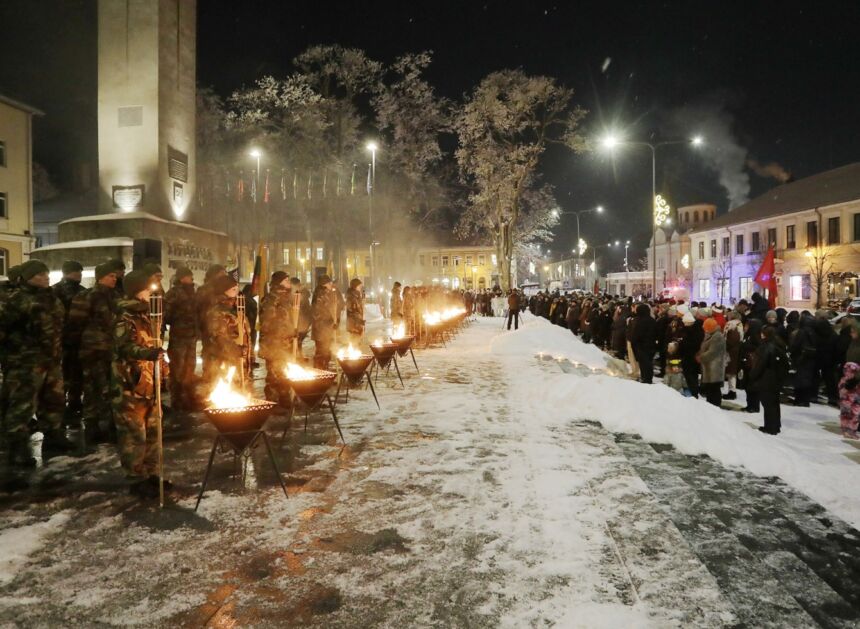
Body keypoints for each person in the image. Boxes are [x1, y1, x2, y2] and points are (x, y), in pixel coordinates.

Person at [1, 260, 76, 466]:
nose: (45, 277)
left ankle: (54, 436)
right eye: (39, 274)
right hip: (24, 363)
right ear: (28, 277)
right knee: (22, 406)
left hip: (50, 359)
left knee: (54, 400)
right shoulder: (16, 300)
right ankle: (16, 450)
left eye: (45, 273)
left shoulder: (52, 297)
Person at [111, 270, 167, 497]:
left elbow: (156, 341)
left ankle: (152, 473)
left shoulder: (148, 315)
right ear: (137, 291)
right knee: (134, 433)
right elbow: (124, 348)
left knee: (154, 430)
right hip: (130, 383)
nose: (151, 293)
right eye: (147, 289)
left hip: (149, 381)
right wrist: (148, 353)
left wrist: (162, 368)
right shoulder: (124, 318)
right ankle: (136, 477)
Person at [67, 262, 119, 442]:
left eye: (115, 275)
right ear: (100, 277)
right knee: (92, 388)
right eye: (110, 276)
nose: (114, 278)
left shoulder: (116, 296)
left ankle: (111, 424)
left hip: (112, 349)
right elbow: (76, 323)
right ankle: (92, 426)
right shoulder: (87, 296)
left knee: (112, 387)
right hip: (93, 349)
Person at [53, 260, 86, 425]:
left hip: (80, 339)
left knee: (77, 373)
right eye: (75, 272)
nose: (79, 275)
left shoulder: (82, 291)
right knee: (64, 374)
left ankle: (75, 403)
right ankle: (62, 407)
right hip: (63, 340)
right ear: (66, 273)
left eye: (80, 272)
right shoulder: (55, 291)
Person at [163, 266, 199, 412]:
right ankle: (177, 400)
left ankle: (190, 398)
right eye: (188, 276)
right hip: (179, 336)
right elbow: (167, 314)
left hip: (191, 337)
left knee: (190, 368)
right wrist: (178, 320)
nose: (191, 279)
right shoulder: (173, 293)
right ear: (181, 278)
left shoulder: (193, 292)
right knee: (177, 368)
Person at [259, 271, 296, 404]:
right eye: (286, 280)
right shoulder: (271, 299)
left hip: (285, 342)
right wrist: (282, 332)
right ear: (279, 282)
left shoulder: (285, 299)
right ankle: (273, 401)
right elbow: (267, 323)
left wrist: (293, 330)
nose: (289, 283)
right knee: (274, 375)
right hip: (274, 344)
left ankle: (284, 396)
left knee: (283, 371)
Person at [205, 274, 249, 383]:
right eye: (233, 289)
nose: (237, 292)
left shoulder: (235, 309)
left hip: (239, 360)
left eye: (237, 289)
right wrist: (235, 350)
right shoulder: (218, 312)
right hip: (225, 362)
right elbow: (219, 337)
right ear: (224, 291)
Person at [748, 326, 789, 435]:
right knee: (774, 403)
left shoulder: (766, 346)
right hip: (776, 379)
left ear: (764, 334)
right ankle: (775, 426)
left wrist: (753, 375)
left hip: (767, 379)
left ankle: (770, 427)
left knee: (768, 404)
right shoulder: (778, 343)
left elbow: (761, 364)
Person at [698, 317, 726, 407]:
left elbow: (713, 352)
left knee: (714, 388)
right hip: (710, 366)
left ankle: (715, 407)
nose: (704, 329)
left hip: (715, 367)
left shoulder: (717, 336)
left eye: (706, 327)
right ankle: (711, 406)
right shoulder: (711, 334)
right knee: (711, 388)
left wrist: (701, 357)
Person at [311, 275, 338, 369]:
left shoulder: (327, 293)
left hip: (326, 330)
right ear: (325, 284)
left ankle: (324, 370)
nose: (332, 285)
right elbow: (318, 312)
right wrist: (329, 321)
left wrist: (333, 321)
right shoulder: (320, 294)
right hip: (321, 330)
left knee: (325, 352)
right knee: (321, 353)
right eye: (330, 283)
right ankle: (319, 373)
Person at [631, 303, 656, 384]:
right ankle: (648, 379)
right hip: (651, 345)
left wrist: (634, 344)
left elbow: (636, 335)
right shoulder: (652, 320)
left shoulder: (639, 321)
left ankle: (645, 379)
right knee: (649, 363)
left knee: (644, 364)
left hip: (641, 346)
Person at [722, 311, 744, 400]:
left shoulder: (731, 325)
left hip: (731, 352)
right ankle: (732, 391)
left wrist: (725, 345)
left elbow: (731, 339)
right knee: (732, 372)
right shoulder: (740, 324)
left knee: (731, 372)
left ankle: (732, 392)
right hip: (736, 350)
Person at [838, 361, 860, 440]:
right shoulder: (846, 380)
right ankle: (849, 431)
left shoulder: (844, 379)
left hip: (853, 398)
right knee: (851, 414)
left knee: (850, 413)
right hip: (849, 398)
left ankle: (848, 430)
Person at [290, 276, 312, 351]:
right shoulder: (294, 293)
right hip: (298, 320)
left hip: (302, 320)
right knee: (296, 340)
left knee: (298, 339)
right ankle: (297, 355)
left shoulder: (301, 294)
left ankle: (298, 354)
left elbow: (301, 306)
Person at [345, 278, 365, 345]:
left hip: (358, 323)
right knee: (355, 342)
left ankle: (357, 353)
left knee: (358, 342)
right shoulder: (351, 297)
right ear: (355, 286)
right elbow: (352, 311)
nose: (361, 288)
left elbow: (359, 309)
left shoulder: (357, 295)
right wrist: (359, 321)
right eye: (359, 286)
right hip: (354, 325)